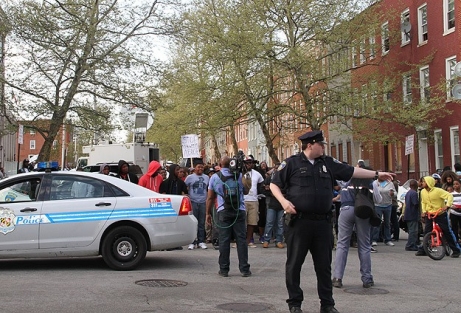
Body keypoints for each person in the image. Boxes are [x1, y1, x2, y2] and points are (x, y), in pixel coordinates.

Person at [270, 130, 394, 313]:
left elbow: (351, 171)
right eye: (321, 144)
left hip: (322, 223)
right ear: (311, 145)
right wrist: (283, 202)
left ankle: (327, 304)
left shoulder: (327, 163)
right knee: (294, 264)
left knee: (323, 266)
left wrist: (377, 174)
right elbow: (274, 184)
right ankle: (295, 303)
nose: (324, 148)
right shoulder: (291, 163)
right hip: (300, 222)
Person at [332, 166, 382, 290]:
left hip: (346, 209)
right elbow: (378, 199)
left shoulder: (347, 180)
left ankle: (337, 277)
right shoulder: (371, 183)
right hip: (363, 211)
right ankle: (367, 278)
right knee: (364, 245)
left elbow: (339, 187)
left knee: (342, 244)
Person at [205, 156, 251, 277]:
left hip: (223, 210)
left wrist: (207, 213)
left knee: (224, 240)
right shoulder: (239, 175)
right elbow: (246, 191)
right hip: (239, 210)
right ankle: (244, 269)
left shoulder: (215, 177)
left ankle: (224, 269)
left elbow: (210, 197)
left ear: (220, 164)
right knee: (241, 240)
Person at [415, 176, 460, 258]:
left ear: (429, 183)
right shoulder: (423, 192)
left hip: (440, 214)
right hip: (430, 214)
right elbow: (423, 202)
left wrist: (447, 205)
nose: (422, 183)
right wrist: (424, 211)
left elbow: (449, 196)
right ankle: (423, 249)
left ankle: (456, 250)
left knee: (447, 231)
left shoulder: (438, 191)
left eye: (424, 182)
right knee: (426, 232)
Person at [185, 162, 210, 250]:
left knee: (201, 222)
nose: (200, 169)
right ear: (195, 168)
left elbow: (208, 189)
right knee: (193, 222)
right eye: (198, 167)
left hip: (203, 202)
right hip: (193, 202)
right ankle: (192, 242)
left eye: (202, 167)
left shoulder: (207, 177)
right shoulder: (190, 177)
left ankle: (201, 241)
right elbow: (185, 187)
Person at [243, 156, 264, 247]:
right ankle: (240, 241)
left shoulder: (257, 174)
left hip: (253, 200)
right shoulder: (240, 174)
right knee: (241, 222)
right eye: (247, 163)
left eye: (250, 163)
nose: (249, 164)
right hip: (243, 200)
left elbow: (261, 185)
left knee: (252, 222)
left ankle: (249, 240)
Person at [262, 167, 285, 249]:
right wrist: (270, 193)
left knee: (280, 224)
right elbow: (263, 188)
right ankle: (266, 240)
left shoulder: (285, 179)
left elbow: (288, 190)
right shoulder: (269, 179)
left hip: (281, 205)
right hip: (271, 204)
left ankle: (279, 240)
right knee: (269, 223)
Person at [371, 175, 395, 247]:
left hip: (388, 205)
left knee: (387, 223)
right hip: (378, 205)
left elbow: (395, 193)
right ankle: (374, 239)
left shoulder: (390, 183)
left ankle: (388, 239)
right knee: (377, 222)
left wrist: (392, 194)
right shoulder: (374, 183)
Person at [403, 179, 420, 251]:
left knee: (411, 230)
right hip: (412, 214)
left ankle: (412, 244)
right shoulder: (414, 193)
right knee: (413, 231)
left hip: (407, 213)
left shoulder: (408, 193)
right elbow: (415, 203)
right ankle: (410, 245)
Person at [449, 178, 461, 244]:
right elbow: (447, 202)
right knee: (454, 227)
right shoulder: (451, 194)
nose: (455, 186)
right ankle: (456, 241)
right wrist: (451, 206)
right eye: (454, 184)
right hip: (454, 213)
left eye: (457, 184)